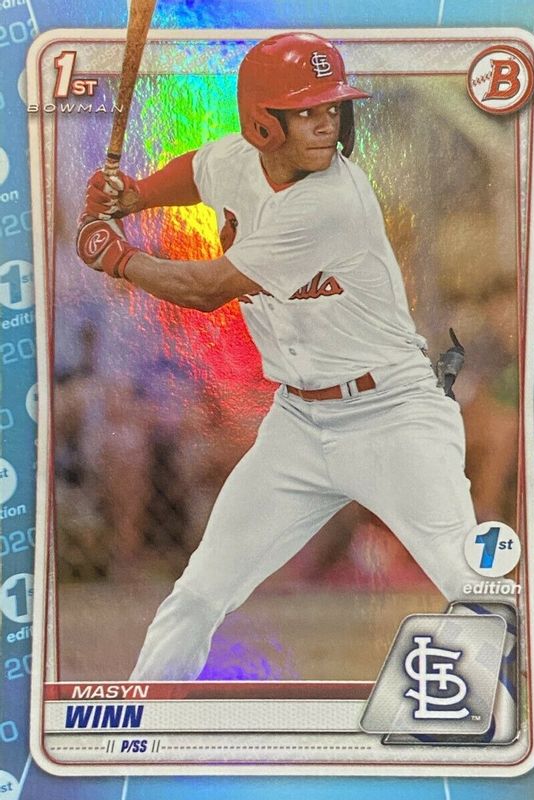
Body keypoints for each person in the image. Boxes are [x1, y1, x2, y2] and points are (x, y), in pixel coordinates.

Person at [77, 32, 480, 681]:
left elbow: (207, 290)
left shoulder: (331, 200)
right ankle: (143, 714)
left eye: (332, 108)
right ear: (262, 124)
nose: (327, 123)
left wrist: (117, 256)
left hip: (393, 413)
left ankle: (533, 713)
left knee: (472, 583)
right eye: (307, 111)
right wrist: (136, 195)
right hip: (299, 421)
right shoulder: (237, 159)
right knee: (200, 591)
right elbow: (201, 169)